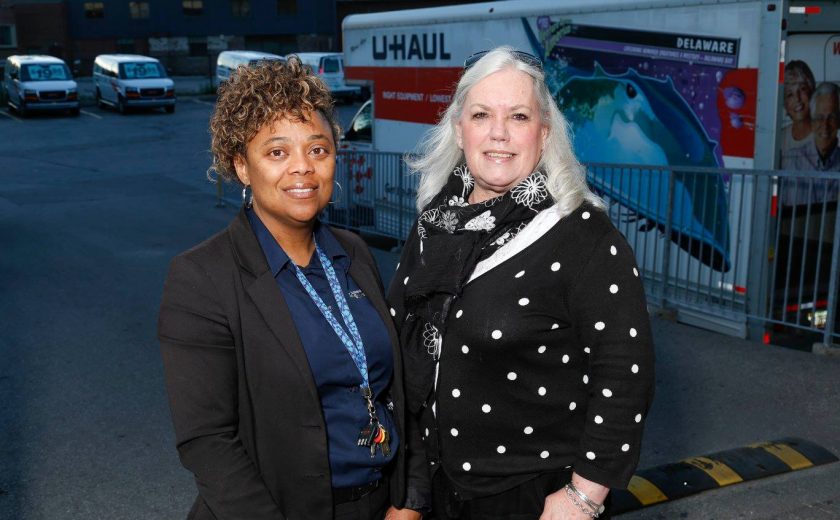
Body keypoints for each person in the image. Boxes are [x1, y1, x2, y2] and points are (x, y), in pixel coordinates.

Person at [387, 47, 655, 519]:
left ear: (544, 132)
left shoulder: (583, 235)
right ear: (458, 128)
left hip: (532, 498)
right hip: (436, 488)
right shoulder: (436, 223)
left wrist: (583, 497)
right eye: (481, 114)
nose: (498, 133)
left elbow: (625, 377)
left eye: (518, 116)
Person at [158, 58, 428, 520]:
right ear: (242, 166)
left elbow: (398, 390)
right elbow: (207, 441)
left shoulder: (354, 252)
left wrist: (410, 501)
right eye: (277, 152)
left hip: (382, 505)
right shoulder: (201, 279)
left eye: (318, 150)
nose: (302, 169)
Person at [784, 81, 840, 204]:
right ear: (812, 121)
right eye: (819, 118)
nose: (825, 125)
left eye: (831, 118)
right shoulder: (792, 162)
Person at [780, 60, 816, 170]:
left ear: (812, 91)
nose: (797, 99)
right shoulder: (780, 138)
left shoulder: (827, 134)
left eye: (802, 89)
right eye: (789, 94)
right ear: (784, 104)